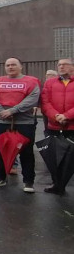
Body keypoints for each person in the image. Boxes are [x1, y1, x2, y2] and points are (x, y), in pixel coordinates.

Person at [0, 57, 40, 192]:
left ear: (21, 67)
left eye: (13, 65)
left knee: (26, 152)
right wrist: (1, 110)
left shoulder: (31, 81)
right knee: (0, 150)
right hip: (1, 121)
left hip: (24, 122)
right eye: (7, 65)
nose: (10, 67)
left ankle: (28, 181)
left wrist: (13, 110)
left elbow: (33, 98)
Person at [40, 58, 74, 194]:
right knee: (54, 158)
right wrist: (56, 116)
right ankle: (57, 184)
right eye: (59, 64)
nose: (61, 67)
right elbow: (45, 103)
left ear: (72, 67)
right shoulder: (50, 83)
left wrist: (67, 116)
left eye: (65, 64)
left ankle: (63, 183)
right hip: (54, 126)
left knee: (70, 159)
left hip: (71, 127)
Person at [41, 69, 61, 137]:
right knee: (47, 126)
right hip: (46, 110)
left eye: (50, 75)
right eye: (47, 75)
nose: (48, 76)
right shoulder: (44, 84)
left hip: (56, 110)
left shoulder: (58, 84)